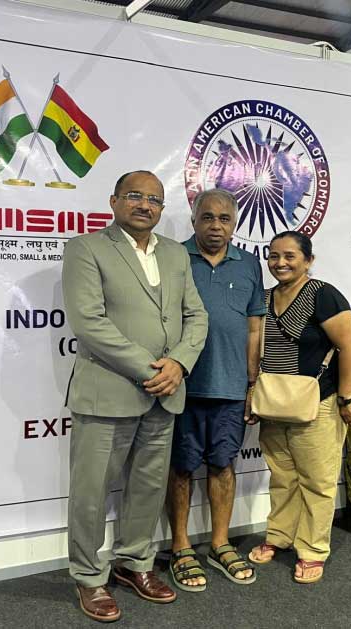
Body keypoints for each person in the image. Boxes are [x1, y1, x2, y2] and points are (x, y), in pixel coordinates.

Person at [62, 170, 208, 622]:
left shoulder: (175, 253)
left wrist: (179, 363)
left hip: (166, 393)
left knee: (147, 487)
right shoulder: (86, 248)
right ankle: (89, 576)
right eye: (135, 196)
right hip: (108, 392)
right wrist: (153, 370)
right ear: (114, 201)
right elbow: (89, 322)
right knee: (91, 492)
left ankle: (134, 563)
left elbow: (196, 316)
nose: (145, 205)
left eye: (154, 200)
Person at [166, 189, 266, 592]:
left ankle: (220, 543)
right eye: (207, 217)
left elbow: (255, 327)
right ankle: (180, 545)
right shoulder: (173, 257)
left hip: (231, 387)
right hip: (182, 386)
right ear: (194, 220)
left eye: (225, 219)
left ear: (234, 224)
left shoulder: (249, 264)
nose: (216, 226)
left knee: (223, 465)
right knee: (181, 467)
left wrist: (251, 383)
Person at [248, 231, 351, 585]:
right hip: (273, 403)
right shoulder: (264, 298)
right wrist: (252, 393)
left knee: (317, 481)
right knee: (282, 477)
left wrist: (346, 398)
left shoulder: (323, 294)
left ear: (308, 260)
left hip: (318, 403)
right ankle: (279, 535)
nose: (280, 262)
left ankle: (312, 549)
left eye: (290, 256)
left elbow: (349, 346)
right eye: (274, 256)